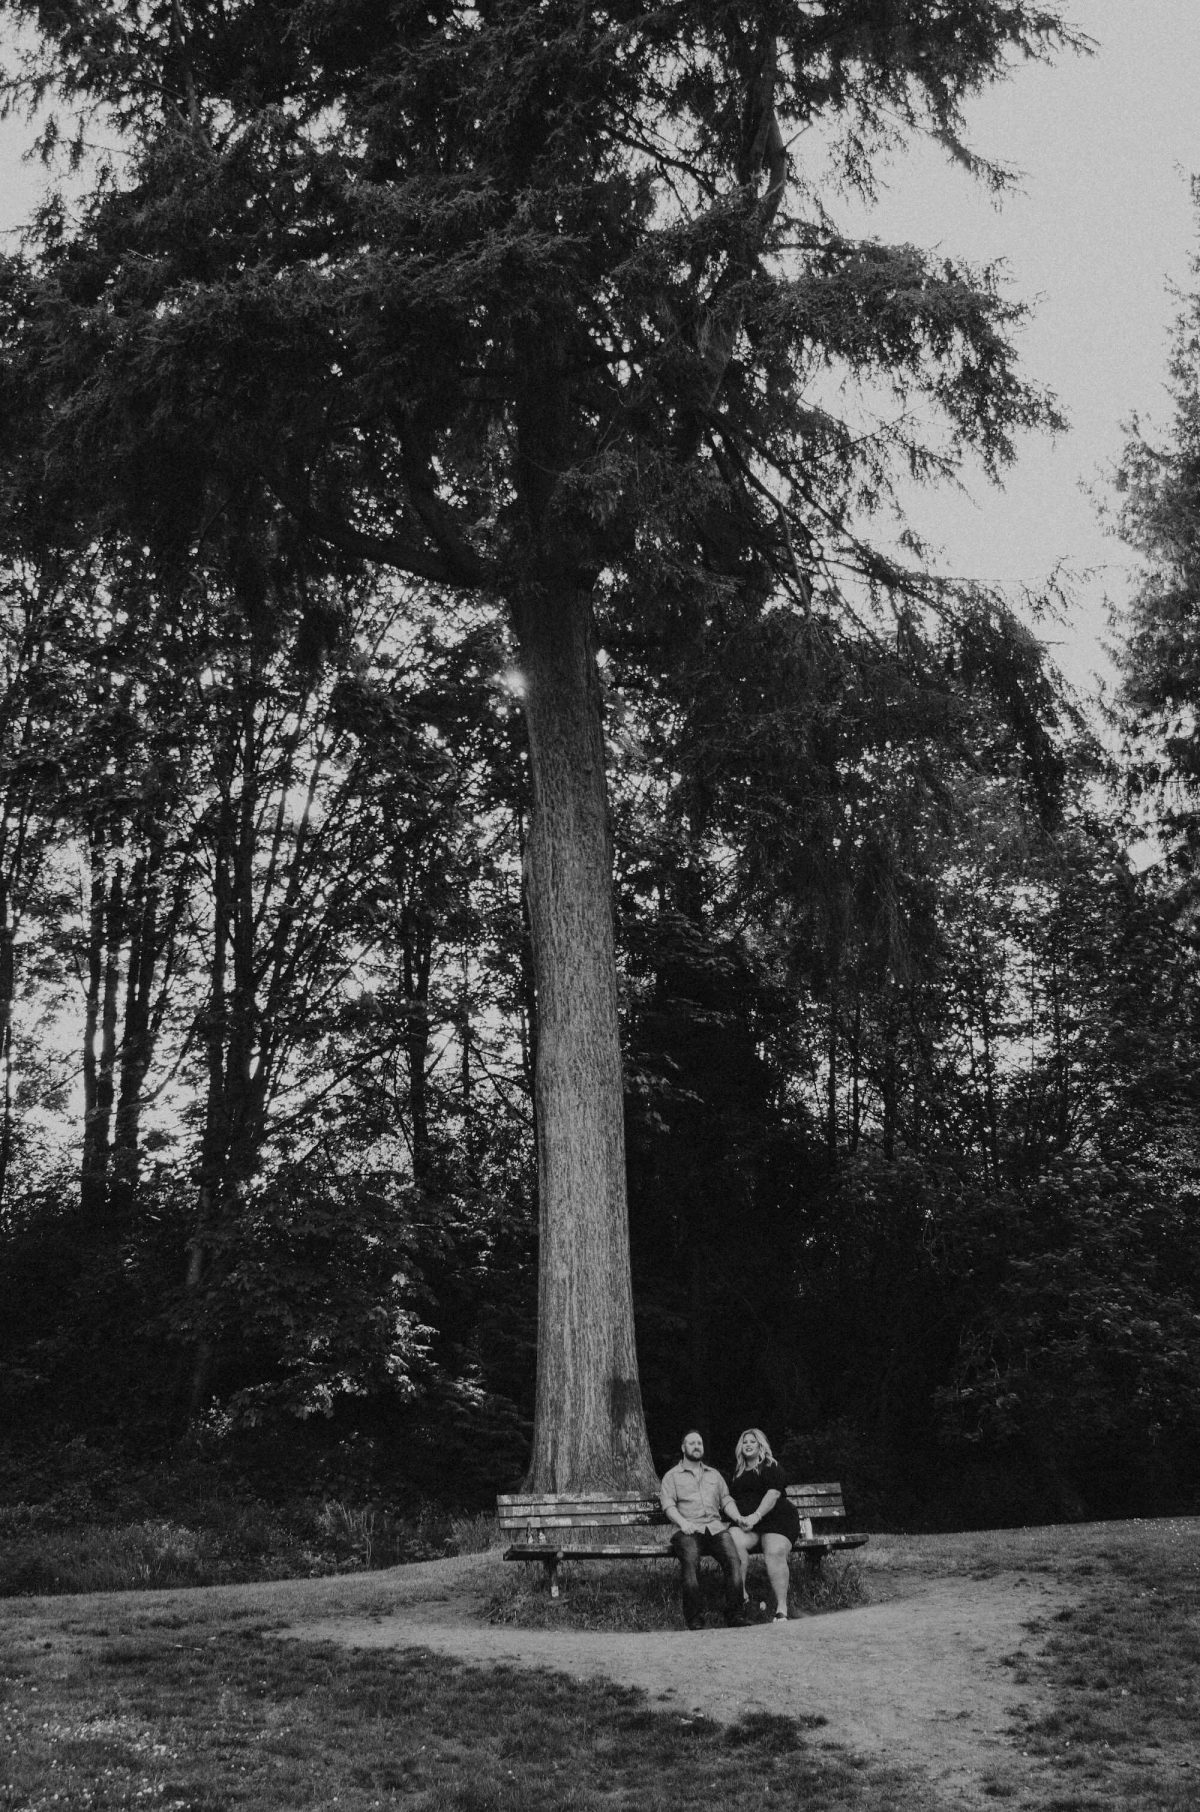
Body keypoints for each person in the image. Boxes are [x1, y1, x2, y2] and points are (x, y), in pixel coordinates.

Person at [659, 1430, 749, 1629]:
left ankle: (735, 1615)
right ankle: (695, 1618)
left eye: (699, 1443)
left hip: (716, 1529)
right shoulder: (672, 1476)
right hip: (689, 1530)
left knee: (734, 1561)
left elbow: (726, 1500)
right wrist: (682, 1522)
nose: (697, 1446)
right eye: (692, 1443)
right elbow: (668, 1505)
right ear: (683, 1448)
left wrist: (737, 1518)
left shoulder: (714, 1475)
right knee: (690, 1563)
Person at [726, 1428, 800, 1621]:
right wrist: (739, 1519)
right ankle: (741, 1598)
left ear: (761, 1446)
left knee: (774, 1551)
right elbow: (729, 1500)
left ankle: (782, 1608)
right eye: (745, 1442)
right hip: (749, 1525)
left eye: (753, 1441)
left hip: (777, 1520)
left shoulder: (770, 1466)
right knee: (732, 1540)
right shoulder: (737, 1472)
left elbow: (773, 1494)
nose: (748, 1444)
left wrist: (755, 1516)